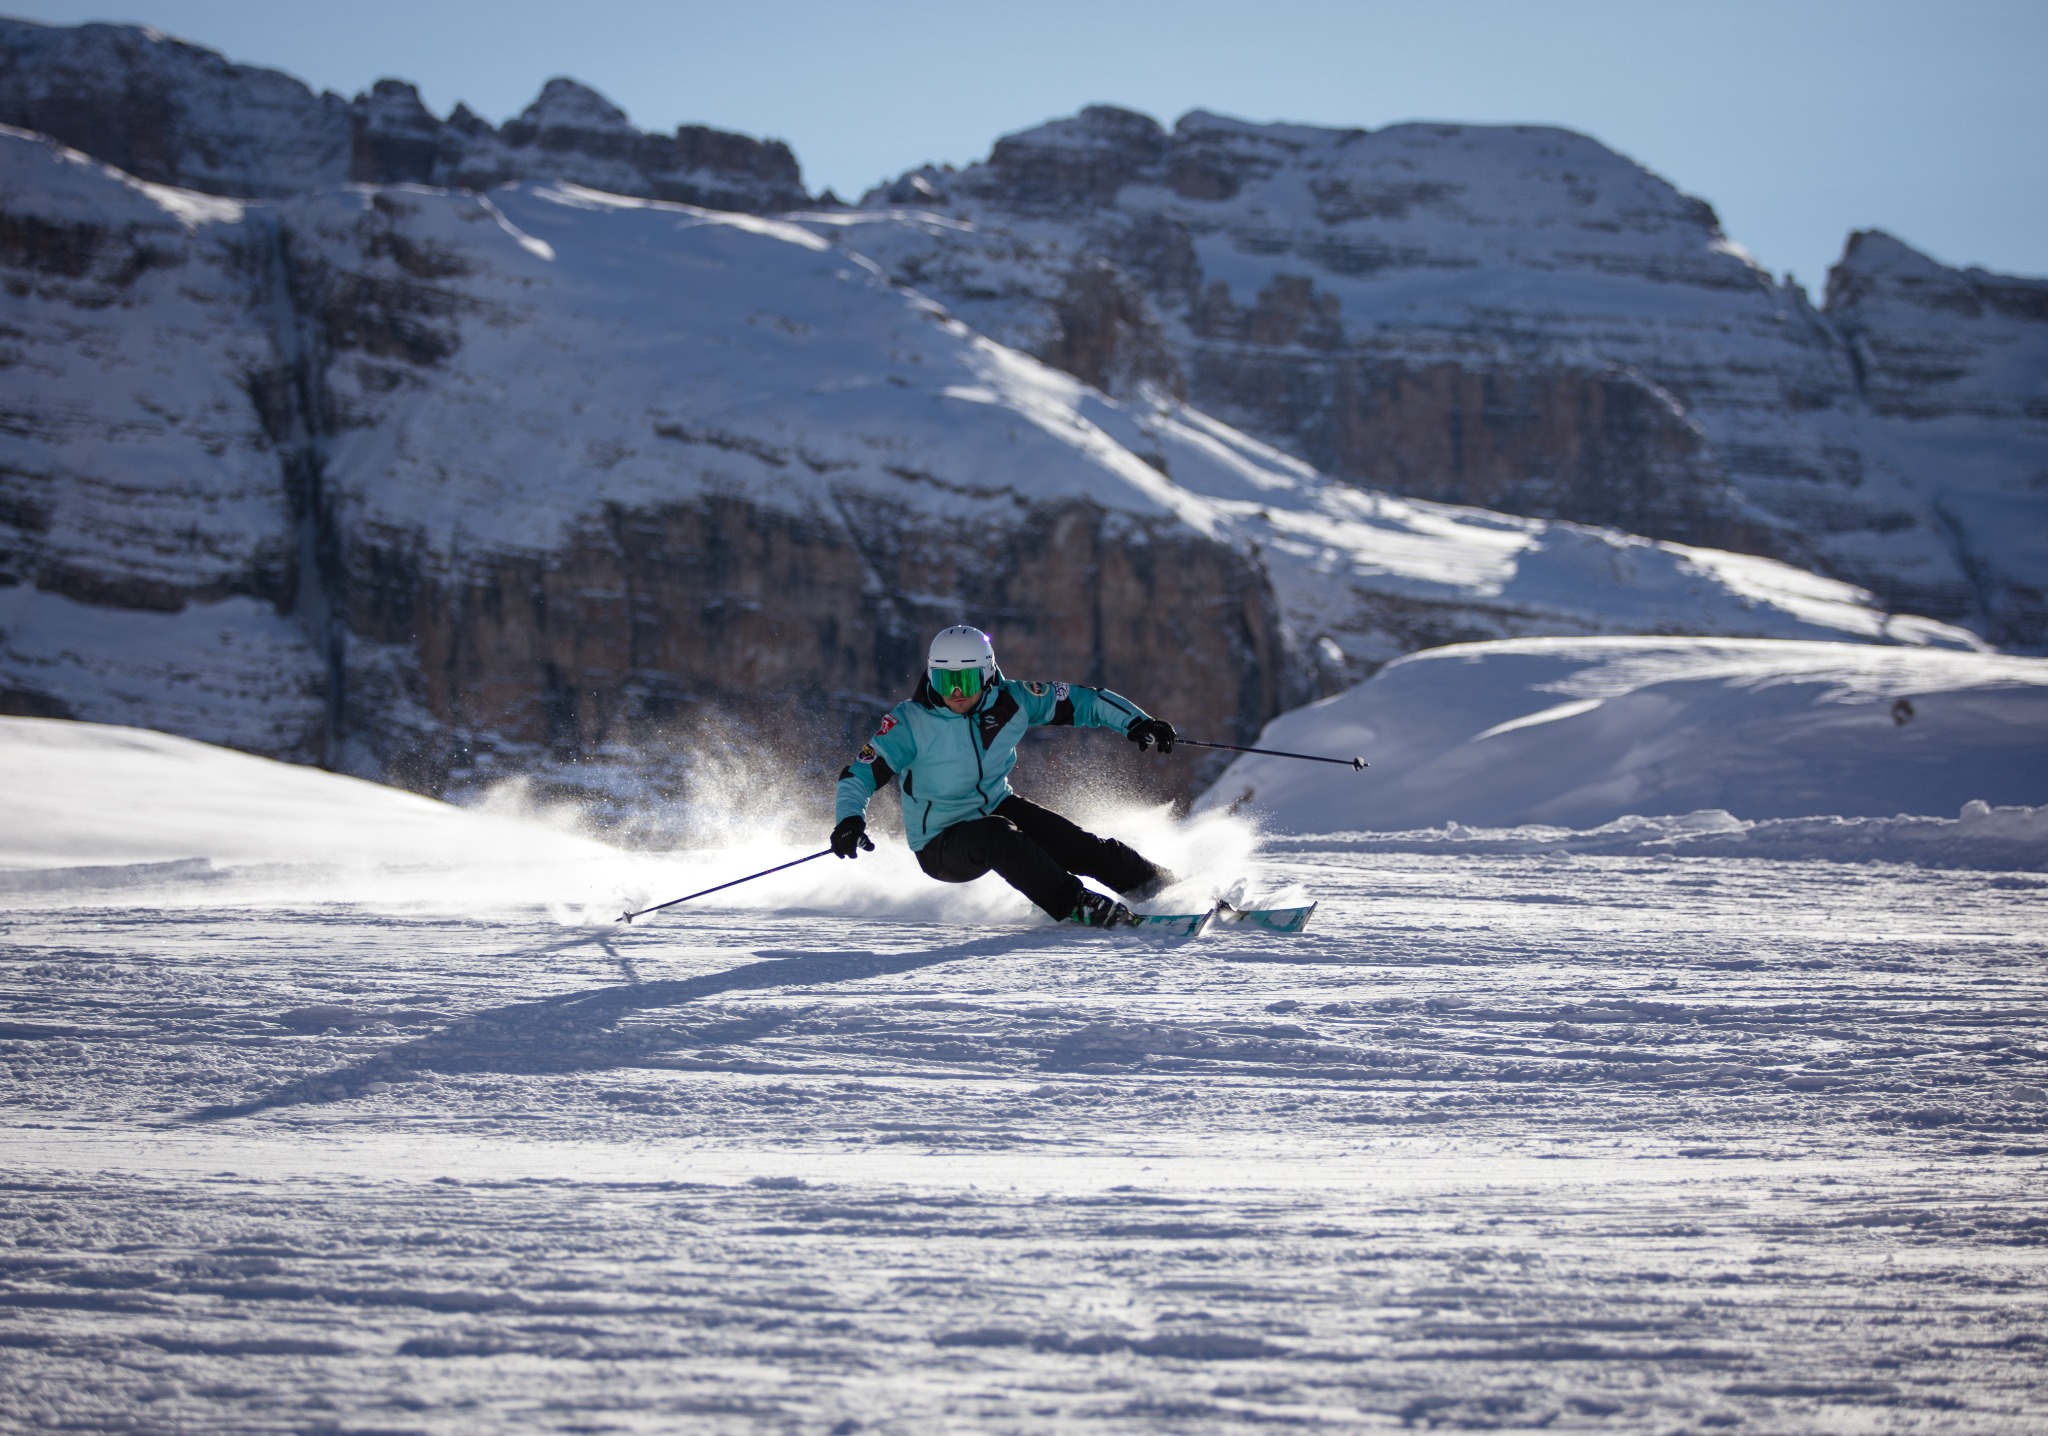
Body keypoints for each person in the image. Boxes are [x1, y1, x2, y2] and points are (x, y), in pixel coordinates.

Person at [830, 625, 1179, 928]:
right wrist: (849, 821)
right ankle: (1076, 905)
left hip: (997, 805)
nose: (956, 693)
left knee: (1078, 845)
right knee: (998, 836)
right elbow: (859, 775)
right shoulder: (910, 722)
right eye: (944, 681)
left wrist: (1138, 722)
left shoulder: (1013, 700)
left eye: (965, 680)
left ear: (987, 673)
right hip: (940, 842)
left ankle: (1168, 890)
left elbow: (1086, 701)